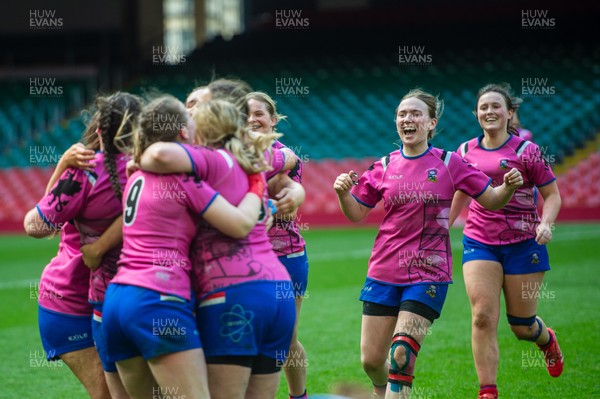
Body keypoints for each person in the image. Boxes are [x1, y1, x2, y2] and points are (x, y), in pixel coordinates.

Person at [333, 89, 524, 399]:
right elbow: (356, 213)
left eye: (416, 114)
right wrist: (343, 194)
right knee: (371, 360)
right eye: (403, 114)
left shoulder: (451, 163)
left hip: (428, 273)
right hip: (383, 271)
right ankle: (381, 391)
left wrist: (508, 188)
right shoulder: (383, 165)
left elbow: (491, 200)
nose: (408, 119)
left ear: (431, 123)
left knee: (401, 354)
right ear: (396, 121)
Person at [102, 95, 266, 399]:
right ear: (182, 133)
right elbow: (240, 224)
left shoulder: (135, 175)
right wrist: (257, 185)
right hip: (158, 299)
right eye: (190, 120)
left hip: (116, 301)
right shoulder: (181, 177)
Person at [139, 99, 296, 399]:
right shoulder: (253, 157)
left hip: (232, 293)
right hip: (277, 291)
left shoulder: (206, 160)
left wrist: (138, 159)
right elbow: (288, 158)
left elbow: (157, 154)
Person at [24, 92, 142, 398]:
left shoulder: (87, 172)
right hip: (74, 301)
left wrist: (64, 163)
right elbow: (44, 225)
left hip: (109, 300)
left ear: (100, 130)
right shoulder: (155, 167)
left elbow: (36, 226)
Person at [449, 83, 563, 399]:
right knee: (483, 316)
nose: (489, 112)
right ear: (476, 114)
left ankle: (546, 339)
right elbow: (459, 192)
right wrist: (441, 227)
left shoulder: (528, 151)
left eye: (496, 106)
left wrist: (546, 224)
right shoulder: (464, 152)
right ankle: (488, 391)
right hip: (479, 242)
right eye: (483, 107)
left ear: (509, 112)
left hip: (525, 244)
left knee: (521, 325)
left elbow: (552, 195)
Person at [246, 91, 308, 399]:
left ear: (273, 120)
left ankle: (299, 396)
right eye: (245, 114)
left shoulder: (284, 156)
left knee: (287, 336)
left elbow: (289, 201)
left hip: (286, 255)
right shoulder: (230, 155)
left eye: (259, 113)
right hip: (243, 259)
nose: (252, 119)